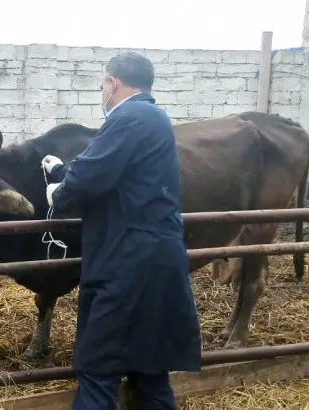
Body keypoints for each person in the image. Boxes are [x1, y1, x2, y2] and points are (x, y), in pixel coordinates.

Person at [41, 52, 202, 409]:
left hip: (127, 263)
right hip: (155, 259)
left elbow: (89, 178)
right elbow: (111, 170)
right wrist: (61, 171)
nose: (102, 91)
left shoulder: (128, 116)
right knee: (150, 370)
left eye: (103, 84)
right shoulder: (153, 116)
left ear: (112, 82)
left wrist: (60, 192)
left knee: (98, 370)